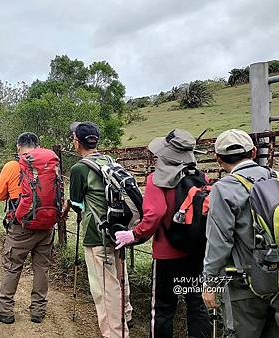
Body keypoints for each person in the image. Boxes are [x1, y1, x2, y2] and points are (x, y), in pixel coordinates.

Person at [115, 129, 212, 338]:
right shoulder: (201, 177)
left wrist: (135, 234)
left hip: (167, 255)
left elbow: (155, 213)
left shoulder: (155, 179)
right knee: (196, 302)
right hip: (195, 252)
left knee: (163, 307)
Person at [202, 129, 279, 337]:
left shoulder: (224, 189)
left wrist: (209, 283)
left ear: (219, 159)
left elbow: (219, 242)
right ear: (253, 152)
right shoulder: (275, 178)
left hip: (244, 285)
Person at [64, 121, 132, 338]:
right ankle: (126, 313)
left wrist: (68, 205)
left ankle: (115, 332)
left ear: (77, 142)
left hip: (96, 234)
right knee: (120, 276)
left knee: (104, 287)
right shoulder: (109, 161)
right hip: (119, 230)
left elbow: (77, 205)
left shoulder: (79, 168)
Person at [0, 132, 55, 324]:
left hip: (21, 226)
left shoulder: (12, 166)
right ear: (38, 146)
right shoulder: (49, 165)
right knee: (42, 268)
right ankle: (38, 311)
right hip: (47, 224)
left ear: (18, 147)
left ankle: (5, 310)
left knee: (12, 266)